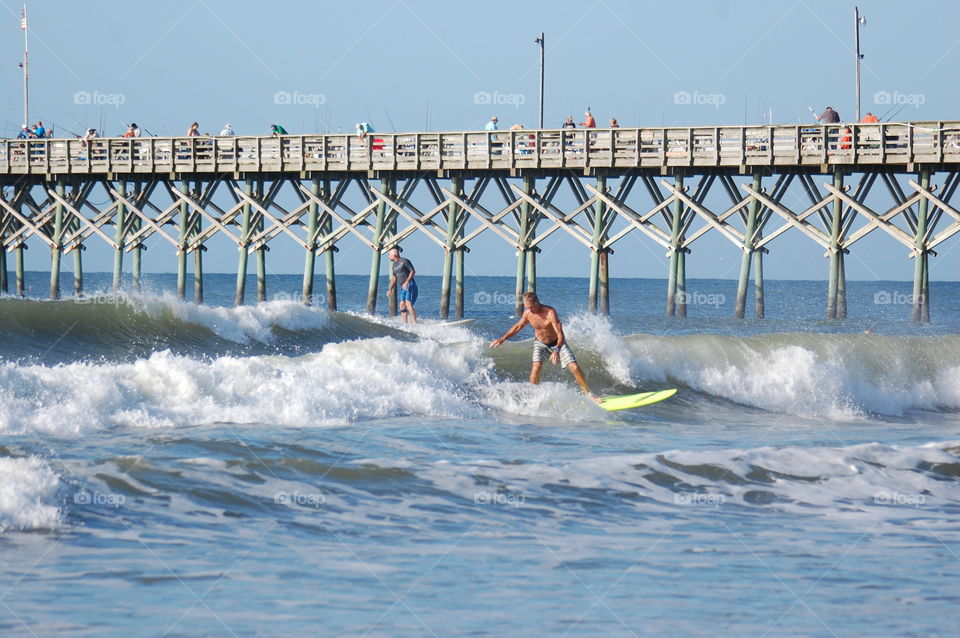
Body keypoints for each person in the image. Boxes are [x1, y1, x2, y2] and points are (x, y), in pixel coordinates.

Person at [490, 292, 596, 400]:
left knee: (574, 366)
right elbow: (518, 326)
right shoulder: (528, 313)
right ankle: (535, 397)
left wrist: (557, 350)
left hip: (557, 342)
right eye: (527, 307)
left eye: (531, 307)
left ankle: (589, 394)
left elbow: (560, 334)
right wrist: (502, 339)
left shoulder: (550, 313)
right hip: (540, 343)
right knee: (536, 367)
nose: (530, 309)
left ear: (537, 302)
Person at [387, 248, 417, 324]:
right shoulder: (394, 265)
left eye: (389, 255)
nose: (388, 257)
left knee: (408, 303)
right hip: (403, 287)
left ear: (394, 255)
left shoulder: (404, 261)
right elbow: (394, 278)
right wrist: (390, 289)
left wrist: (407, 282)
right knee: (402, 305)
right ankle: (405, 324)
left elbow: (412, 271)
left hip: (410, 285)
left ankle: (415, 323)